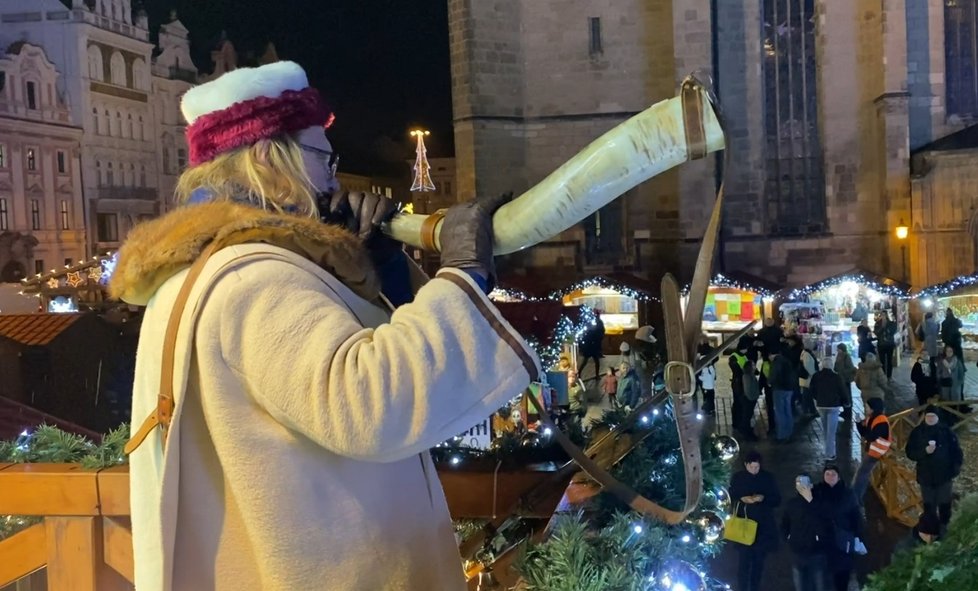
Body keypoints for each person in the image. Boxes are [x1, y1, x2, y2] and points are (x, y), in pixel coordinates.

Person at [109, 62, 542, 591]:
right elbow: (374, 406)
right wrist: (464, 272)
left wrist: (378, 268)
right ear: (271, 158)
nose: (334, 178)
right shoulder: (253, 278)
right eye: (323, 158)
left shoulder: (206, 269)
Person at [729, 451, 782, 591]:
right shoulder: (738, 478)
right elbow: (731, 495)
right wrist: (742, 498)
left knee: (758, 563)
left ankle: (754, 587)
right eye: (751, 467)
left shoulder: (767, 478)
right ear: (745, 465)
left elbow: (777, 499)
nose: (754, 470)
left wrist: (763, 498)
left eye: (757, 467)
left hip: (762, 528)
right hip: (744, 527)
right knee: (744, 563)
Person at [906, 406, 964, 527]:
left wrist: (955, 469)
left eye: (933, 416)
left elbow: (957, 452)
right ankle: (929, 530)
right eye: (928, 416)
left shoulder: (947, 432)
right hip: (926, 476)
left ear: (938, 417)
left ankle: (944, 529)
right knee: (929, 506)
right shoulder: (917, 432)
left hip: (944, 476)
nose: (930, 419)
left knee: (944, 504)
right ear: (924, 417)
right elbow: (910, 453)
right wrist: (924, 451)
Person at [813, 465, 864, 591]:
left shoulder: (848, 494)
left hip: (843, 542)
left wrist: (857, 537)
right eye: (827, 474)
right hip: (824, 541)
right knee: (824, 578)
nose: (830, 477)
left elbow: (856, 517)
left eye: (833, 474)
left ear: (839, 477)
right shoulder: (816, 492)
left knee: (842, 578)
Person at [782, 473, 828, 591]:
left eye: (804, 483)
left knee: (819, 584)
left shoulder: (820, 504)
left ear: (811, 485)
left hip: (817, 552)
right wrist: (788, 540)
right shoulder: (791, 504)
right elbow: (785, 525)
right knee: (800, 585)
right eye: (798, 483)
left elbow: (823, 526)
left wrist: (810, 502)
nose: (801, 485)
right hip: (798, 552)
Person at [852, 397, 891, 505]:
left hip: (876, 452)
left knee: (862, 474)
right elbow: (865, 433)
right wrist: (859, 423)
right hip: (872, 449)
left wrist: (862, 425)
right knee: (862, 473)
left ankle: (856, 497)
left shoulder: (881, 421)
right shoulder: (873, 418)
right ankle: (857, 496)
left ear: (873, 408)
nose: (865, 408)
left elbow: (870, 436)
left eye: (867, 406)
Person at [810, 356, 847, 461]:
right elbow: (842, 390)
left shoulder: (816, 376)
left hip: (821, 405)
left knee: (825, 429)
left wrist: (817, 398)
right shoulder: (836, 377)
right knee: (831, 430)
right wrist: (846, 402)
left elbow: (812, 389)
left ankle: (827, 450)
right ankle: (830, 454)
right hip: (833, 406)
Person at [769, 344, 798, 442]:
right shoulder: (786, 361)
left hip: (779, 388)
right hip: (789, 389)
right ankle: (789, 432)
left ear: (771, 355)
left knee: (779, 412)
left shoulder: (776, 362)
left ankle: (781, 435)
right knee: (787, 410)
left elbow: (773, 375)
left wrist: (769, 382)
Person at [730, 339, 754, 440]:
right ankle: (737, 423)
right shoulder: (734, 357)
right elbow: (737, 370)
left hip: (742, 381)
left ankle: (739, 423)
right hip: (738, 382)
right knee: (738, 403)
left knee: (740, 403)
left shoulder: (742, 355)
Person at [579, 310, 606, 381]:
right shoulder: (598, 322)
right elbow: (602, 331)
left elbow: (585, 332)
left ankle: (579, 374)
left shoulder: (589, 322)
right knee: (595, 361)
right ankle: (596, 375)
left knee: (586, 361)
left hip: (589, 344)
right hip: (594, 344)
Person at [833, 343, 856, 422]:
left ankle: (848, 411)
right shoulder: (839, 356)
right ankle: (845, 410)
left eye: (838, 349)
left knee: (847, 395)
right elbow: (836, 366)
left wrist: (842, 372)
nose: (837, 350)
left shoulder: (846, 356)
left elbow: (851, 368)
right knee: (843, 395)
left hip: (845, 379)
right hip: (840, 379)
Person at [874, 311, 898, 380]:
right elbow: (876, 333)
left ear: (887, 315)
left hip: (889, 344)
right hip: (881, 345)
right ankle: (883, 375)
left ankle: (889, 376)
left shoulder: (891, 323)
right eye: (882, 315)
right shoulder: (878, 324)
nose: (883, 316)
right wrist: (882, 327)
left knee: (889, 361)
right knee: (882, 361)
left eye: (884, 315)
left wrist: (886, 328)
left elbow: (893, 331)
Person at [798, 345, 819, 417]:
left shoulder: (804, 353)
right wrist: (814, 374)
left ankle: (810, 410)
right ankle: (807, 410)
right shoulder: (807, 354)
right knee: (807, 394)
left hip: (806, 378)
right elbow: (808, 367)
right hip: (808, 378)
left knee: (807, 395)